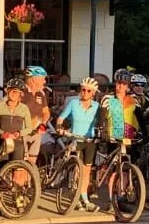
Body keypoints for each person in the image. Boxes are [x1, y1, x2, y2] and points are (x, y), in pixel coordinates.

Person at [56, 77, 101, 212]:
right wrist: (59, 126)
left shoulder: (97, 107)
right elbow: (61, 117)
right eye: (82, 90)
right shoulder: (73, 103)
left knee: (87, 170)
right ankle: (74, 194)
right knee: (76, 168)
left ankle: (84, 197)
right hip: (75, 138)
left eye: (88, 91)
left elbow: (100, 122)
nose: (84, 93)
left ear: (93, 93)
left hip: (89, 140)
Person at [0, 78, 35, 186]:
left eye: (17, 92)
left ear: (20, 94)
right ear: (7, 90)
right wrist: (2, 133)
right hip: (3, 142)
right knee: (1, 171)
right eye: (12, 90)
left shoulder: (24, 108)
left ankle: (17, 196)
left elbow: (29, 128)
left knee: (18, 172)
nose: (14, 94)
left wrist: (19, 133)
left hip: (17, 143)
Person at [22, 66, 52, 166]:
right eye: (43, 79)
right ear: (34, 79)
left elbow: (46, 112)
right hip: (23, 132)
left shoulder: (41, 94)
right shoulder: (21, 92)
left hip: (36, 132)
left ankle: (29, 182)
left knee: (32, 163)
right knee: (21, 165)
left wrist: (42, 124)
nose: (44, 82)